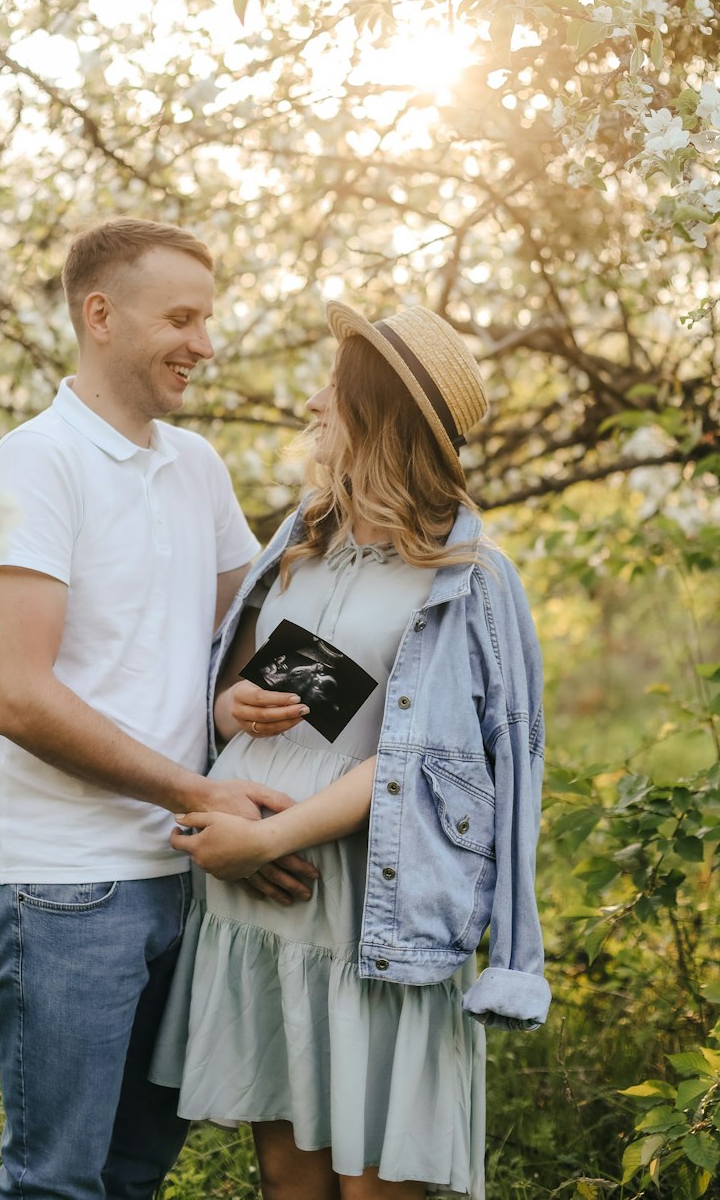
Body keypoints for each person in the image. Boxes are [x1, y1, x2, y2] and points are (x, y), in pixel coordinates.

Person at [151, 302, 551, 1200]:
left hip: (366, 908)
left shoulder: (467, 577)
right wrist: (230, 705)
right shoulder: (303, 540)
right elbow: (235, 686)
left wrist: (267, 841)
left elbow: (447, 757)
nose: (311, 400)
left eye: (332, 384)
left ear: (374, 410)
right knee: (288, 1179)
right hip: (262, 908)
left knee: (374, 1185)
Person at [0, 217, 315, 1200]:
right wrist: (198, 789)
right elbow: (19, 698)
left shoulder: (195, 464)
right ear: (101, 315)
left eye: (209, 319)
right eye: (183, 318)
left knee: (133, 1170)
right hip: (64, 885)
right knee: (56, 1183)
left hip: (179, 871)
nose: (206, 344)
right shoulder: (33, 464)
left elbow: (251, 634)